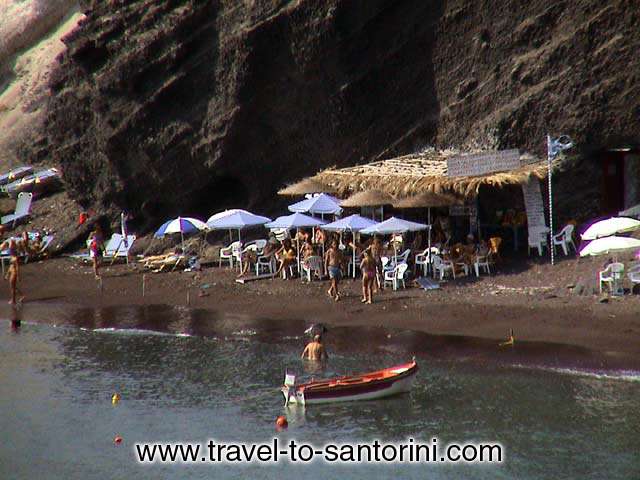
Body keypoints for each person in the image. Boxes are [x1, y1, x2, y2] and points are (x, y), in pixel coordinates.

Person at [5, 240, 24, 304]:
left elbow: (17, 267)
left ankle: (13, 300)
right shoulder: (12, 257)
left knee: (12, 287)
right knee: (12, 286)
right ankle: (21, 295)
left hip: (14, 273)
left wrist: (18, 276)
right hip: (11, 272)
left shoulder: (15, 258)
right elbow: (11, 266)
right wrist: (7, 274)